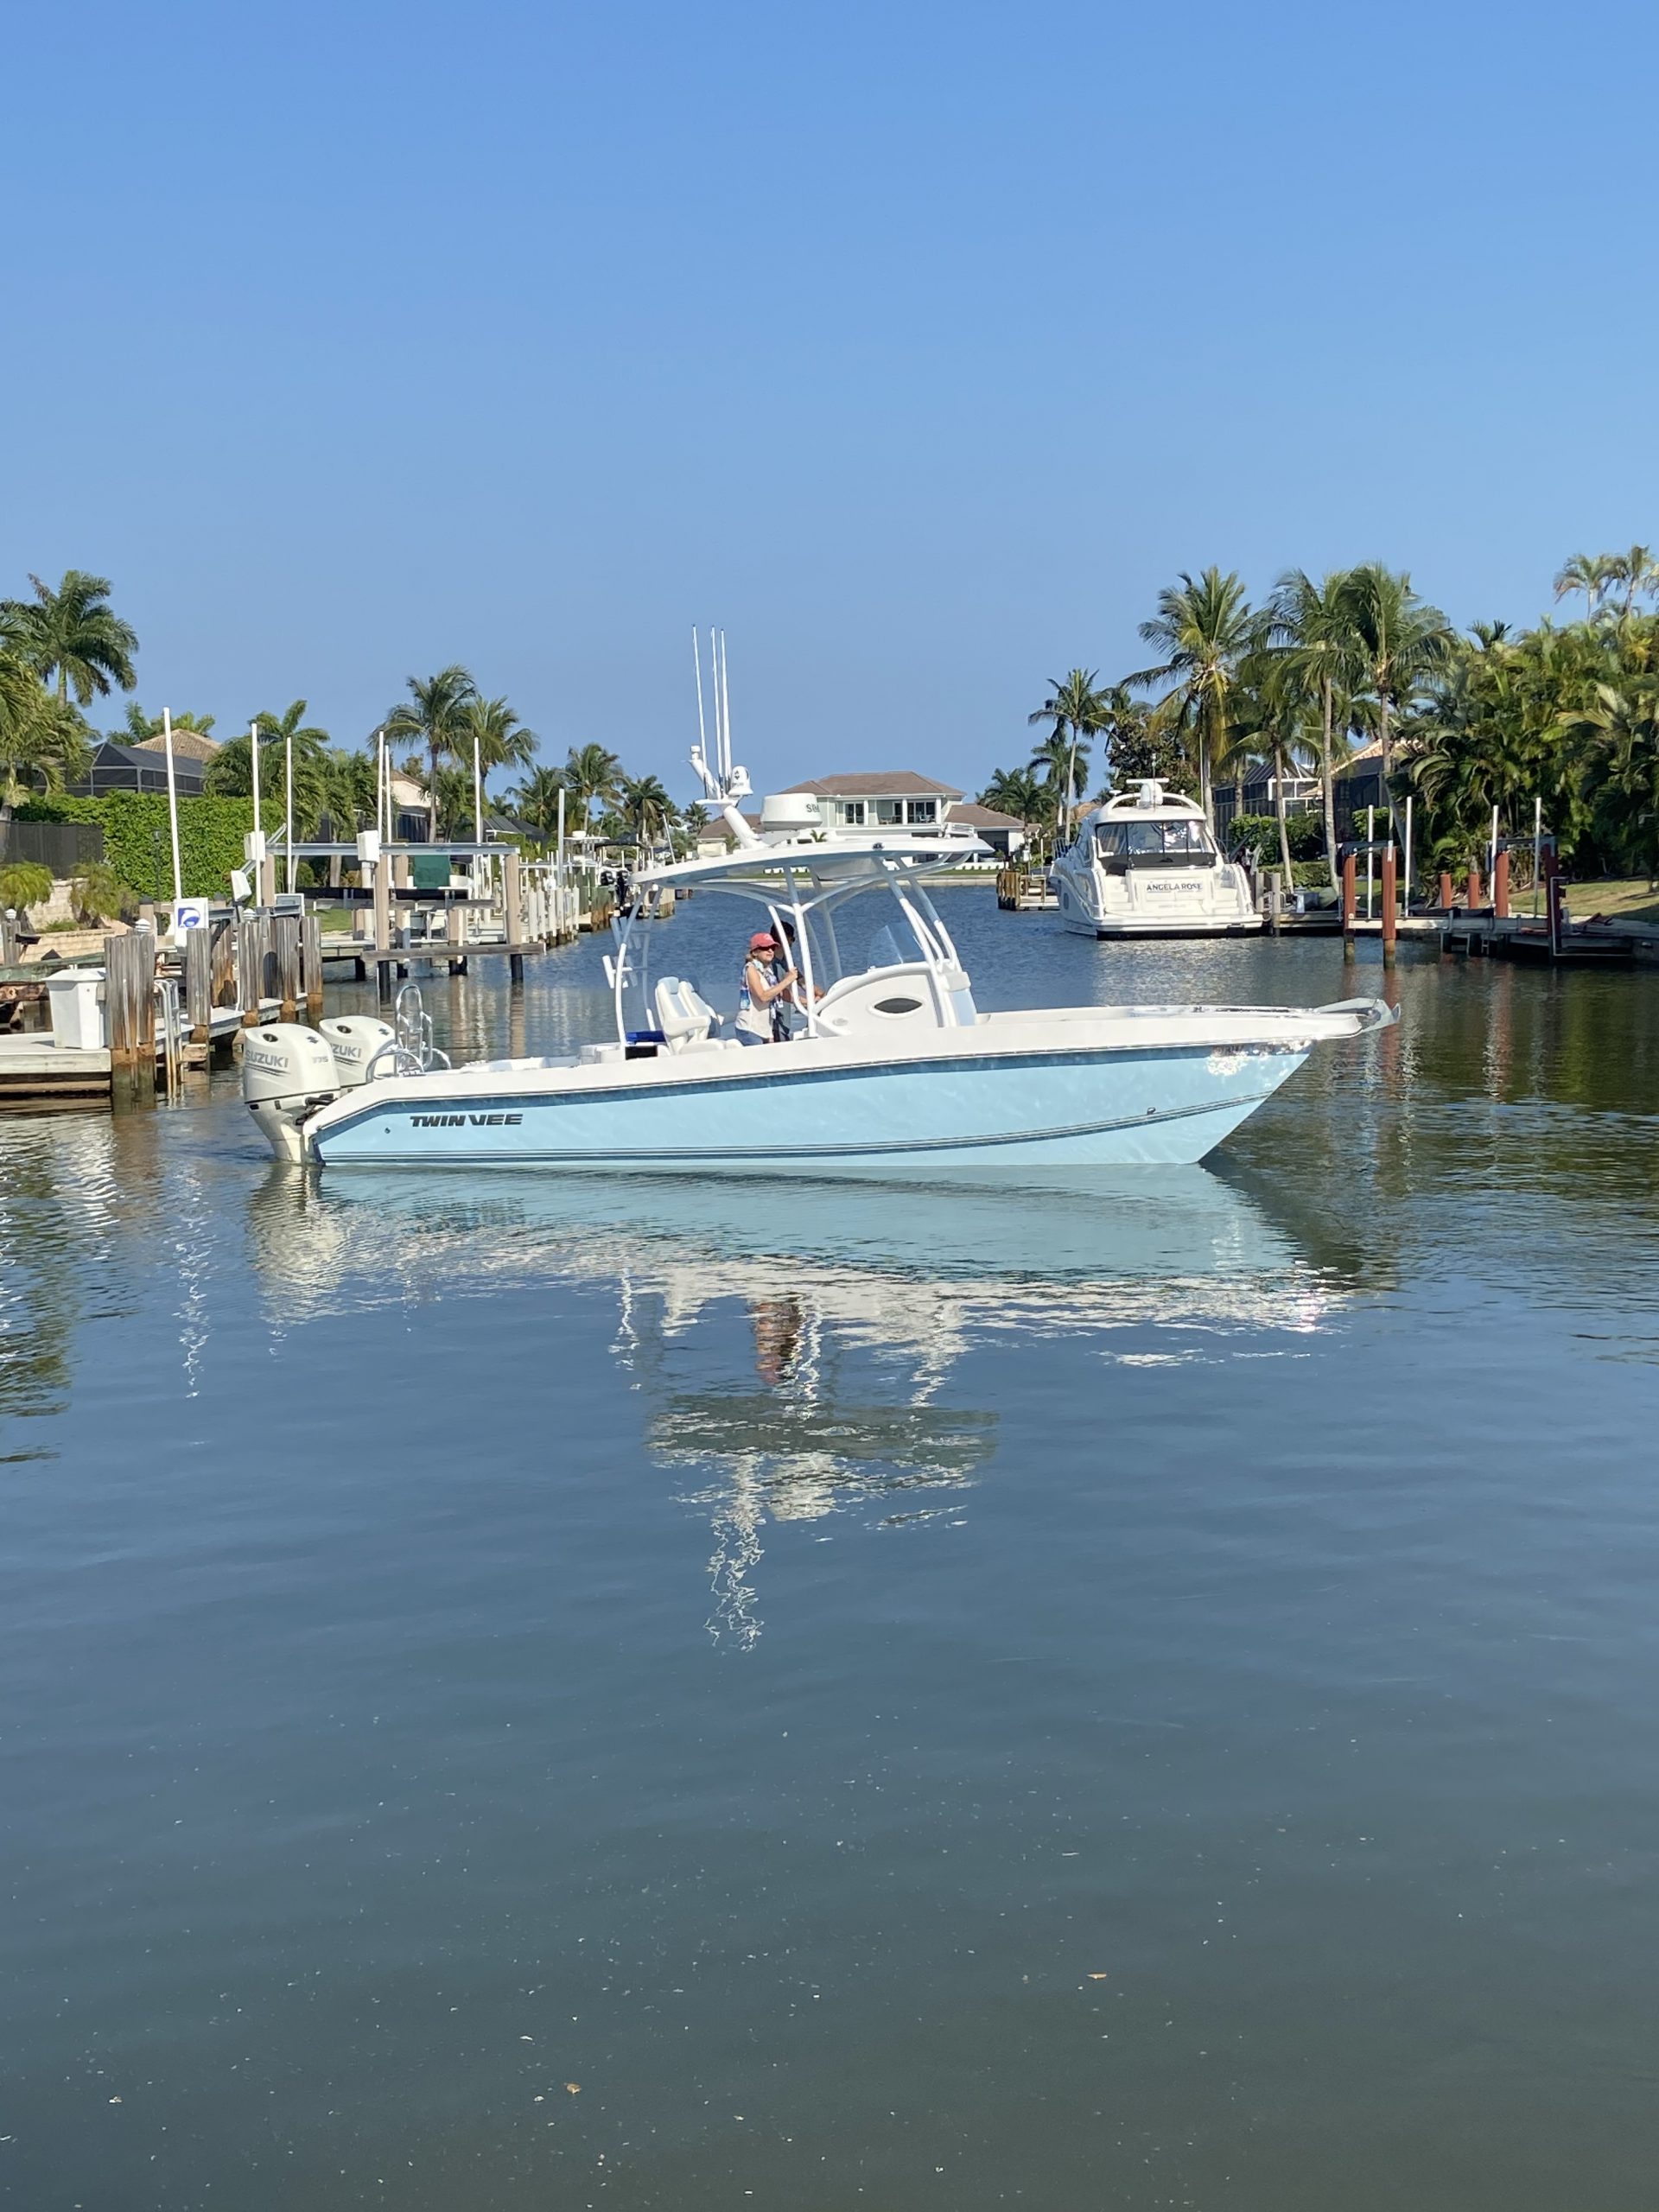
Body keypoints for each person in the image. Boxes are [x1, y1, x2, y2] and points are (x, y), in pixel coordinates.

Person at [735, 930, 798, 1046]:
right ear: (755, 952)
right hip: (750, 1029)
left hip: (765, 1030)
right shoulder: (751, 969)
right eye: (765, 948)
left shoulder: (768, 972)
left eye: (773, 948)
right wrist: (787, 980)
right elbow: (763, 996)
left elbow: (781, 994)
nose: (770, 951)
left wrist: (809, 1002)